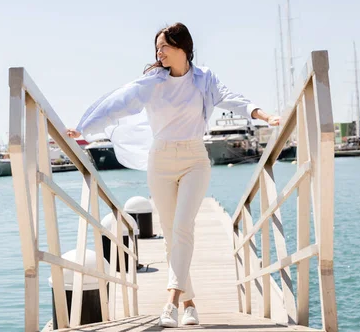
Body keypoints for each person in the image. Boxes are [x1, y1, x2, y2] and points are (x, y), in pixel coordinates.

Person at [67, 23, 280, 328]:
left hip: (195, 159)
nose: (159, 52)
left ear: (182, 48)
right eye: (157, 48)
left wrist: (265, 115)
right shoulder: (153, 82)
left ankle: (170, 302)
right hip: (161, 161)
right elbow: (119, 104)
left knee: (182, 227)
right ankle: (190, 303)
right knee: (171, 236)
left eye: (164, 46)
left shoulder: (203, 79)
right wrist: (85, 127)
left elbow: (232, 98)